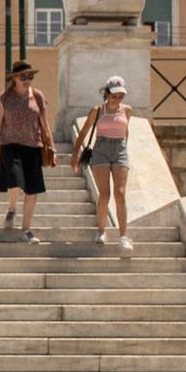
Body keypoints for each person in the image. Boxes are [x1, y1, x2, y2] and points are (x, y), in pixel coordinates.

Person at [70, 74, 135, 253]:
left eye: (120, 96)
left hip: (120, 149)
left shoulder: (127, 110)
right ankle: (101, 230)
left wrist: (124, 150)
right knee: (104, 194)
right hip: (101, 149)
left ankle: (123, 236)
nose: (117, 99)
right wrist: (75, 156)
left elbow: (125, 131)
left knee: (120, 193)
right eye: (114, 95)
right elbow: (83, 133)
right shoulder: (97, 110)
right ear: (106, 93)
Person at [0, 59, 53, 242]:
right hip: (10, 145)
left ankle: (26, 230)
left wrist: (51, 145)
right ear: (14, 78)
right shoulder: (4, 98)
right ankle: (12, 208)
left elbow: (44, 123)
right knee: (15, 182)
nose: (27, 79)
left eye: (30, 76)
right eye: (23, 76)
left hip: (33, 146)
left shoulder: (37, 96)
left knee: (32, 190)